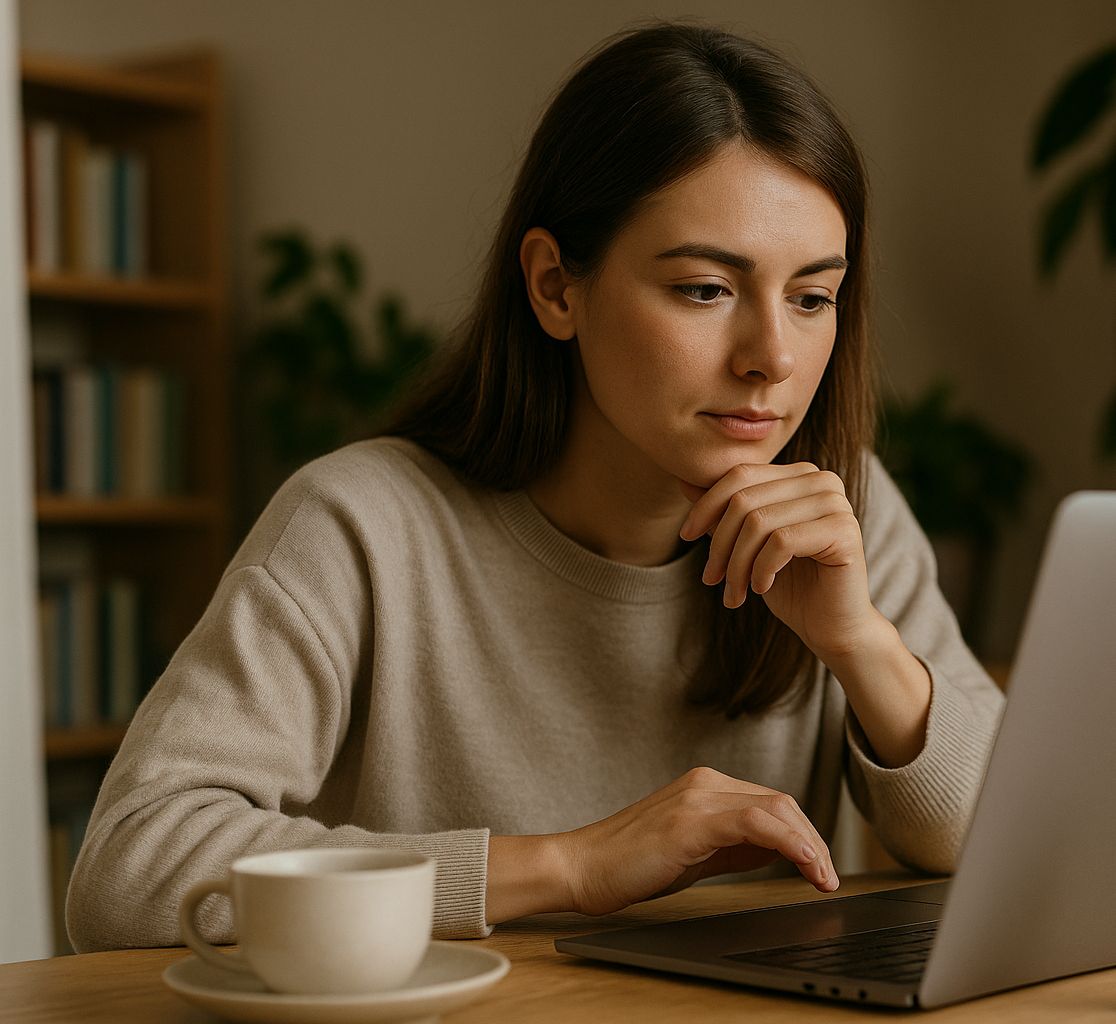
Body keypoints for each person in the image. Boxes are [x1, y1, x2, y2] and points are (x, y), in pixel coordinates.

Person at [66, 23, 1004, 952]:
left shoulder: (846, 511)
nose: (772, 358)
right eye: (705, 289)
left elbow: (1006, 841)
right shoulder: (362, 523)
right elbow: (128, 870)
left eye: (812, 297)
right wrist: (571, 867)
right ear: (556, 286)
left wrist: (861, 643)